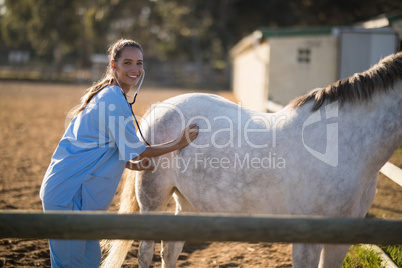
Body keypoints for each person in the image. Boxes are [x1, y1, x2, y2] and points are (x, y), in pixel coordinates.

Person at [39, 39, 199, 267]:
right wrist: (178, 142)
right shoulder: (112, 100)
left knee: (91, 261)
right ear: (114, 66)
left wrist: (128, 163)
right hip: (68, 193)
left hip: (81, 196)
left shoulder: (113, 97)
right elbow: (140, 150)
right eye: (128, 63)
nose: (135, 69)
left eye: (139, 63)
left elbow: (101, 146)